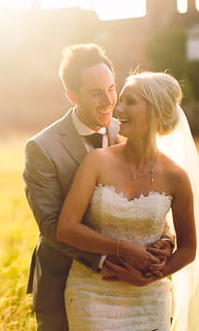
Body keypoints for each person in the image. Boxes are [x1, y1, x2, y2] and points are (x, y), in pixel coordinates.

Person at [23, 44, 173, 331]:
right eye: (95, 93)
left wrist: (165, 240)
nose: (109, 101)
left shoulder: (130, 130)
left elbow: (155, 194)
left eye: (112, 88)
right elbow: (52, 225)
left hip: (133, 287)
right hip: (66, 279)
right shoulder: (42, 148)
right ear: (72, 95)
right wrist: (111, 260)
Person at [57, 71, 199, 330]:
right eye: (120, 100)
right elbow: (66, 228)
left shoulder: (176, 177)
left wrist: (152, 277)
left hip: (149, 299)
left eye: (129, 101)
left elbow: (189, 249)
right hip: (92, 293)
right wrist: (123, 248)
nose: (117, 108)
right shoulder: (97, 161)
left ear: (155, 110)